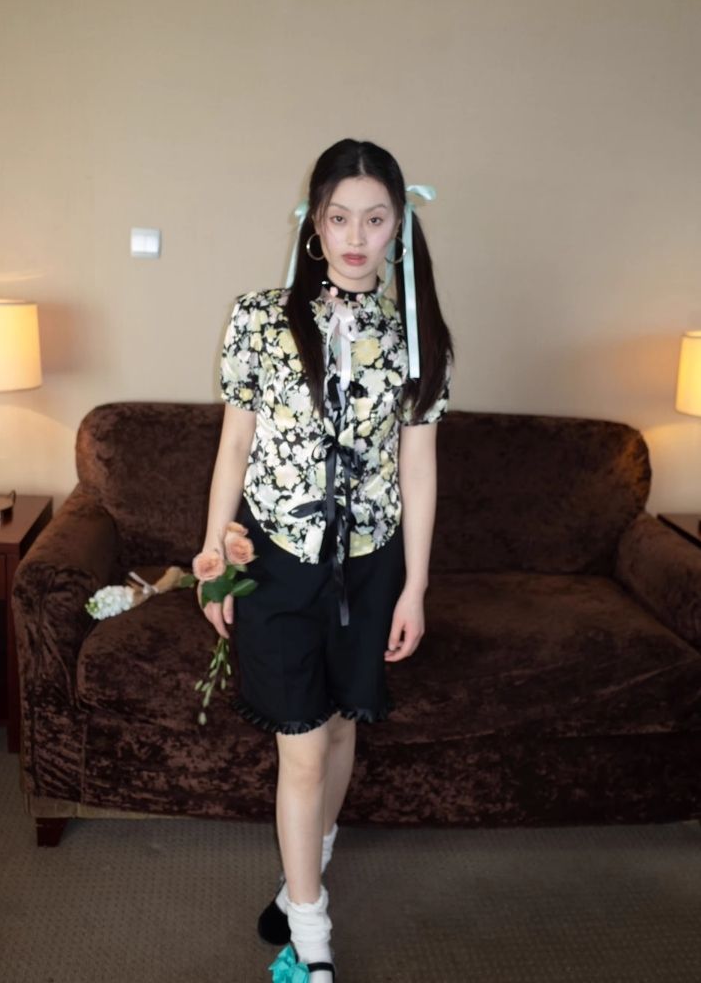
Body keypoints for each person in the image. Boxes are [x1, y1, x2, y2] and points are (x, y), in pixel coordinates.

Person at [198, 138, 455, 982]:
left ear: (398, 226)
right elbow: (235, 447)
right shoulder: (259, 319)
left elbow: (418, 469)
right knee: (302, 749)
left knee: (342, 727)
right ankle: (312, 943)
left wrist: (415, 587)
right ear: (313, 223)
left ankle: (299, 875)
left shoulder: (419, 337)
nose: (355, 237)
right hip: (275, 562)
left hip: (371, 567)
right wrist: (215, 557)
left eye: (375, 220)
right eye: (339, 218)